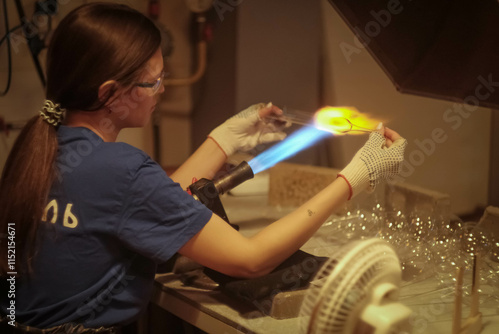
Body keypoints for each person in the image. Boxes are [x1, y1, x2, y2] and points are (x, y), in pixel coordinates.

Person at [0, 2, 407, 333]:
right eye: (153, 82)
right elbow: (251, 260)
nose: (162, 89)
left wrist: (223, 140)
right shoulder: (120, 168)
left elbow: (150, 202)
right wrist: (356, 176)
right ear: (111, 94)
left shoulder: (40, 148)